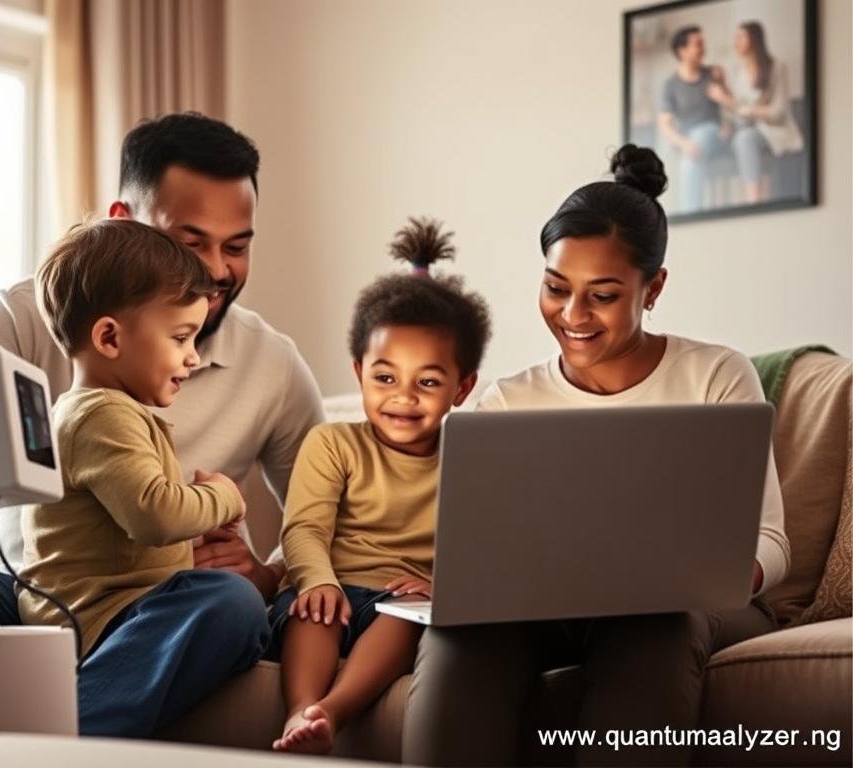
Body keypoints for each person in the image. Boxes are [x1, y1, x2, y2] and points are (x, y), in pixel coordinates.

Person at [0, 113, 324, 736]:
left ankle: (56, 744)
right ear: (123, 222)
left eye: (237, 245)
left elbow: (331, 514)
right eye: (191, 242)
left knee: (231, 604)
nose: (219, 271)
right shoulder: (24, 315)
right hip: (22, 596)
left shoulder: (272, 363)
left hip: (148, 612)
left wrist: (267, 571)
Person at [403, 145, 789, 767]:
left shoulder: (717, 374)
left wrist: (712, 574)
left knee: (656, 623)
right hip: (542, 610)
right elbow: (477, 542)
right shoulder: (508, 400)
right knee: (460, 634)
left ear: (653, 287)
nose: (573, 315)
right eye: (557, 288)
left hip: (686, 609)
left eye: (602, 295)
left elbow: (771, 539)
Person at [19, 217, 266, 734]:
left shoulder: (96, 410)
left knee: (232, 599)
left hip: (104, 608)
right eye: (181, 337)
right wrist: (221, 497)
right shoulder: (102, 414)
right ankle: (73, 736)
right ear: (109, 337)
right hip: (98, 620)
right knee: (233, 602)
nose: (193, 357)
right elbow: (154, 513)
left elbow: (133, 526)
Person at [270, 219, 491, 755]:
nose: (403, 397)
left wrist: (444, 591)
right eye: (385, 377)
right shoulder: (333, 445)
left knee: (406, 623)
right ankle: (300, 707)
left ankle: (330, 713)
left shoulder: (472, 457)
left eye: (429, 382)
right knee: (313, 611)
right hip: (328, 587)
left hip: (403, 604)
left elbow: (486, 551)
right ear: (358, 371)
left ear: (462, 388)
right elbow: (303, 529)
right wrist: (318, 581)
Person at [708, 21, 804, 203]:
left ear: (754, 39)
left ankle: (754, 199)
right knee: (739, 137)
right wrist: (724, 94)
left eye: (741, 37)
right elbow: (737, 113)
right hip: (747, 129)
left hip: (775, 131)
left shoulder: (777, 67)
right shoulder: (736, 71)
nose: (736, 42)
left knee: (744, 138)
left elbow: (779, 111)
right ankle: (752, 198)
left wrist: (739, 106)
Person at [657, 25, 728, 213]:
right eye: (698, 44)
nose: (703, 49)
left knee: (701, 135)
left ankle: (690, 212)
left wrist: (722, 86)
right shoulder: (671, 85)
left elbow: (730, 107)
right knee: (671, 150)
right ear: (682, 51)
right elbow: (665, 125)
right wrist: (684, 144)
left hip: (714, 135)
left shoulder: (713, 75)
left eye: (703, 44)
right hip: (688, 141)